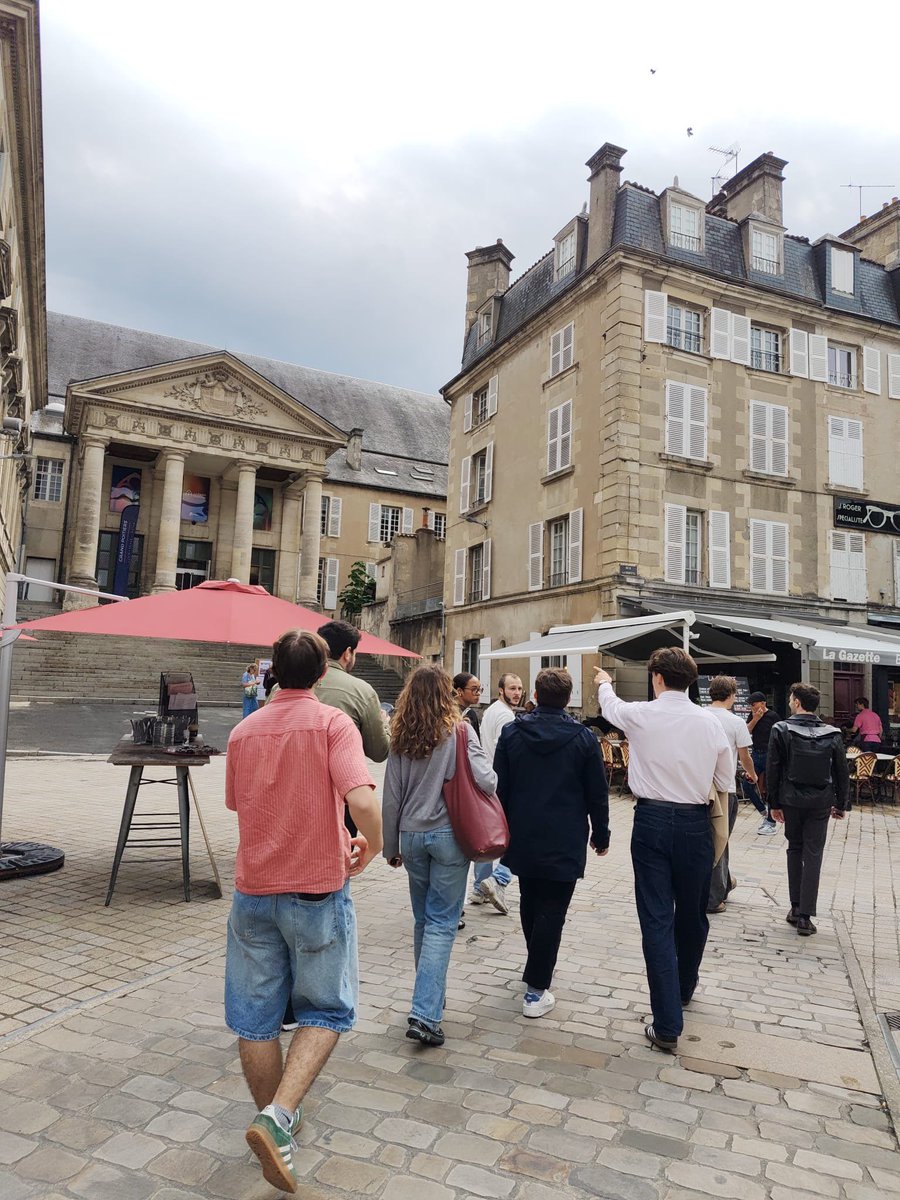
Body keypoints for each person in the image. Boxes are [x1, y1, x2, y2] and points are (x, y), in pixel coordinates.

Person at [225, 629, 383, 1194]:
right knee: (325, 1007)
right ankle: (278, 1117)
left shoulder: (243, 731)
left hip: (253, 889)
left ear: (271, 673)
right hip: (316, 887)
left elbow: (238, 802)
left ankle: (275, 1121)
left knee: (254, 1015)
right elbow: (361, 798)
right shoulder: (332, 723)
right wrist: (375, 842)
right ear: (323, 674)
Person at [594, 650, 732, 1053]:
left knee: (656, 918)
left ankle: (667, 1020)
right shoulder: (709, 722)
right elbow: (724, 778)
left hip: (651, 820)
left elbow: (611, 707)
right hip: (694, 822)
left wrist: (603, 681)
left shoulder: (643, 714)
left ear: (656, 678)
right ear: (690, 681)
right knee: (692, 912)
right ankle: (684, 986)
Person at [382, 664, 496, 1047]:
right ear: (447, 692)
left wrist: (390, 844)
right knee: (443, 923)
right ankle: (426, 1012)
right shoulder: (460, 731)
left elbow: (391, 796)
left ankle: (428, 1000)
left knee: (423, 921)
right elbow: (488, 780)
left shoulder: (400, 735)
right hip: (448, 836)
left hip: (411, 836)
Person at [494, 668, 609, 1018]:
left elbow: (501, 789)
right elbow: (597, 792)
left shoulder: (512, 733)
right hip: (565, 833)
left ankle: (536, 968)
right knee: (552, 909)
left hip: (524, 831)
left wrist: (501, 830)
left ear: (535, 694)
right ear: (569, 698)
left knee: (531, 901)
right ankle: (536, 987)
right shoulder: (583, 739)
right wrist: (600, 833)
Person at [766, 682, 850, 937]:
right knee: (814, 853)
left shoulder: (781, 729)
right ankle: (805, 916)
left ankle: (794, 906)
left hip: (791, 799)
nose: (790, 702)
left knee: (795, 848)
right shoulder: (833, 733)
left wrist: (774, 804)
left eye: (792, 698)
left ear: (797, 702)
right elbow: (841, 771)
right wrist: (842, 803)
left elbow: (773, 769)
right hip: (821, 801)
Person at [468, 672, 523, 915]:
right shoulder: (505, 715)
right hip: (501, 783)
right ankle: (498, 879)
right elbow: (510, 750)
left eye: (520, 688)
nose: (517, 692)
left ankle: (480, 888)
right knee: (515, 834)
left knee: (488, 837)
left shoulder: (491, 710)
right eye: (512, 688)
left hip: (488, 781)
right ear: (501, 690)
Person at [706, 676, 758, 914]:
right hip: (725, 788)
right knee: (720, 840)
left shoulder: (700, 715)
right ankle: (714, 896)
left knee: (708, 838)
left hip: (699, 788)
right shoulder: (735, 722)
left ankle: (724, 883)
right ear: (732, 695)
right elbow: (744, 756)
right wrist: (753, 775)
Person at [745, 692, 780, 834]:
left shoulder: (773, 716)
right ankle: (763, 811)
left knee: (771, 787)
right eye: (750, 705)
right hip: (756, 754)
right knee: (747, 784)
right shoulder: (753, 715)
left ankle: (771, 822)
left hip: (769, 755)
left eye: (753, 704)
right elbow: (746, 731)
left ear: (763, 703)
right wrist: (755, 719)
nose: (751, 707)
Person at [453, 673, 483, 740]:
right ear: (459, 691)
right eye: (474, 689)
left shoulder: (471, 713)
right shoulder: (450, 714)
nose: (478, 693)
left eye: (479, 689)